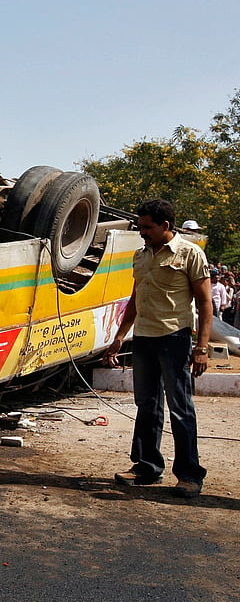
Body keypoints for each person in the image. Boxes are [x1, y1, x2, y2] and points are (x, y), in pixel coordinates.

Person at [101, 199, 212, 497]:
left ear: (166, 226)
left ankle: (189, 475)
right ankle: (146, 466)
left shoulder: (190, 254)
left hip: (175, 339)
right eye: (140, 227)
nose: (142, 232)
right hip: (144, 340)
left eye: (147, 227)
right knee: (146, 406)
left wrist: (202, 347)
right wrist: (120, 336)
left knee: (181, 409)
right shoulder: (140, 256)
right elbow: (135, 300)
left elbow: (204, 303)